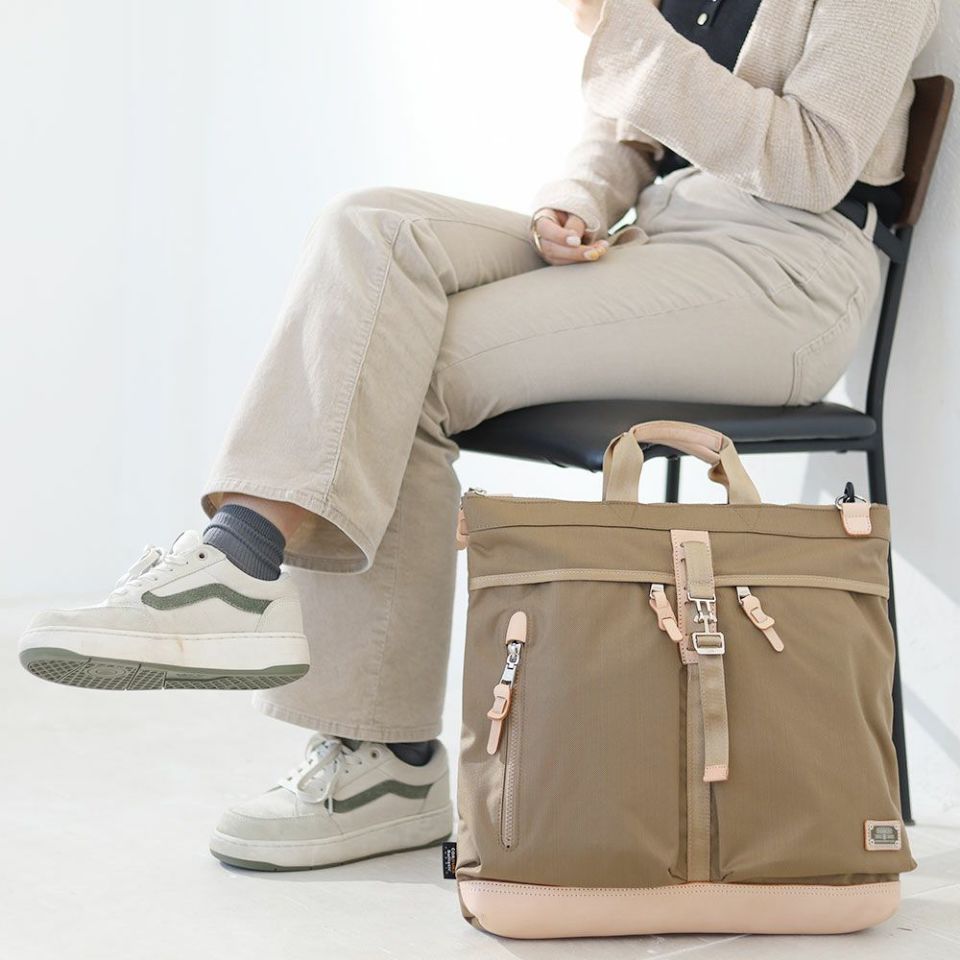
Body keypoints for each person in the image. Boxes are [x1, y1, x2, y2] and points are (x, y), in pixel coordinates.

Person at [19, 0, 939, 871]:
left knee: (399, 358)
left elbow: (813, 162)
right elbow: (629, 134)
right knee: (372, 228)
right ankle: (241, 564)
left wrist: (624, 27)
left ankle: (372, 742)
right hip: (659, 243)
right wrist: (575, 201)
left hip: (782, 276)